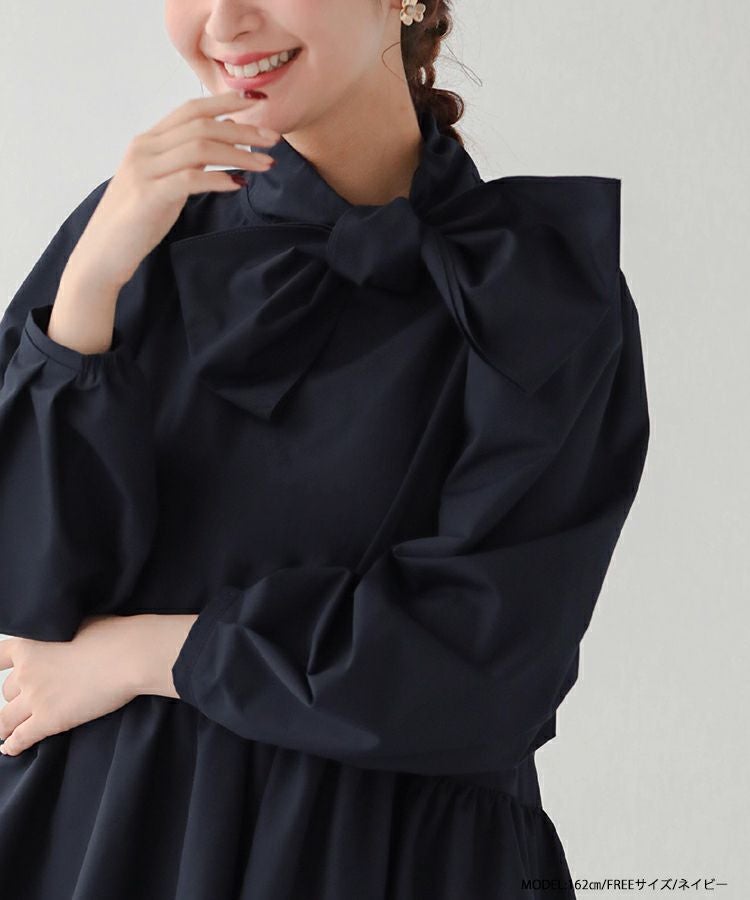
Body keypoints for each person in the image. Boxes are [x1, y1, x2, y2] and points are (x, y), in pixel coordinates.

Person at [0, 0, 650, 897]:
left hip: (386, 858)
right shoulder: (134, 230)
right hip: (105, 836)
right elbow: (24, 605)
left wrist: (150, 655)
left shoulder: (531, 288)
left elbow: (487, 664)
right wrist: (88, 290)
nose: (225, 21)